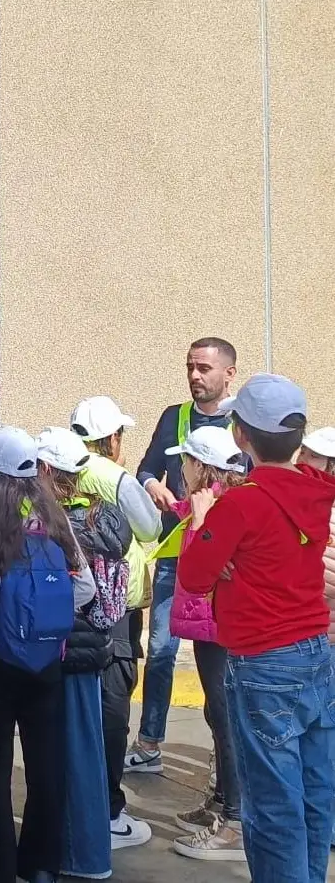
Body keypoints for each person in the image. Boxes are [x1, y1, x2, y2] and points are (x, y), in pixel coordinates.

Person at [178, 373, 335, 883]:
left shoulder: (240, 503)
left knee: (272, 806)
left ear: (240, 435)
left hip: (263, 660)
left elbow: (194, 576)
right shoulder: (317, 489)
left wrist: (202, 523)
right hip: (317, 654)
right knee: (315, 793)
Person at [0, 427, 97, 883]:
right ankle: (42, 866)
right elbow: (83, 588)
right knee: (47, 765)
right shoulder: (54, 518)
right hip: (46, 658)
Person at [127, 338, 238, 773]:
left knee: (218, 662)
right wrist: (153, 485)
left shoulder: (242, 424)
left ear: (229, 372)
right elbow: (147, 467)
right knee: (159, 650)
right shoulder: (174, 417)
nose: (195, 375)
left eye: (205, 368)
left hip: (224, 564)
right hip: (177, 554)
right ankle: (150, 741)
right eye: (190, 367)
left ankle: (222, 754)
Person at [36, 427, 132, 881]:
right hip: (96, 647)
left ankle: (71, 855)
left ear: (48, 470)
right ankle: (93, 852)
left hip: (62, 647)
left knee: (59, 755)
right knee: (88, 751)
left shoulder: (50, 524)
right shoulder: (106, 517)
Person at [68, 396, 160, 848]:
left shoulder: (54, 470)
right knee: (111, 705)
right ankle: (107, 813)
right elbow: (149, 528)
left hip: (66, 606)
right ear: (112, 439)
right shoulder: (114, 478)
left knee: (73, 706)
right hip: (114, 609)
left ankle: (76, 803)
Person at [160, 425, 248, 861]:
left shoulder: (220, 507)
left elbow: (203, 565)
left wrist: (195, 521)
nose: (181, 468)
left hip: (219, 630)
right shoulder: (213, 499)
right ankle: (222, 802)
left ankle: (235, 820)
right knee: (217, 714)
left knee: (227, 718)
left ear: (202, 466)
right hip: (211, 629)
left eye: (186, 461)